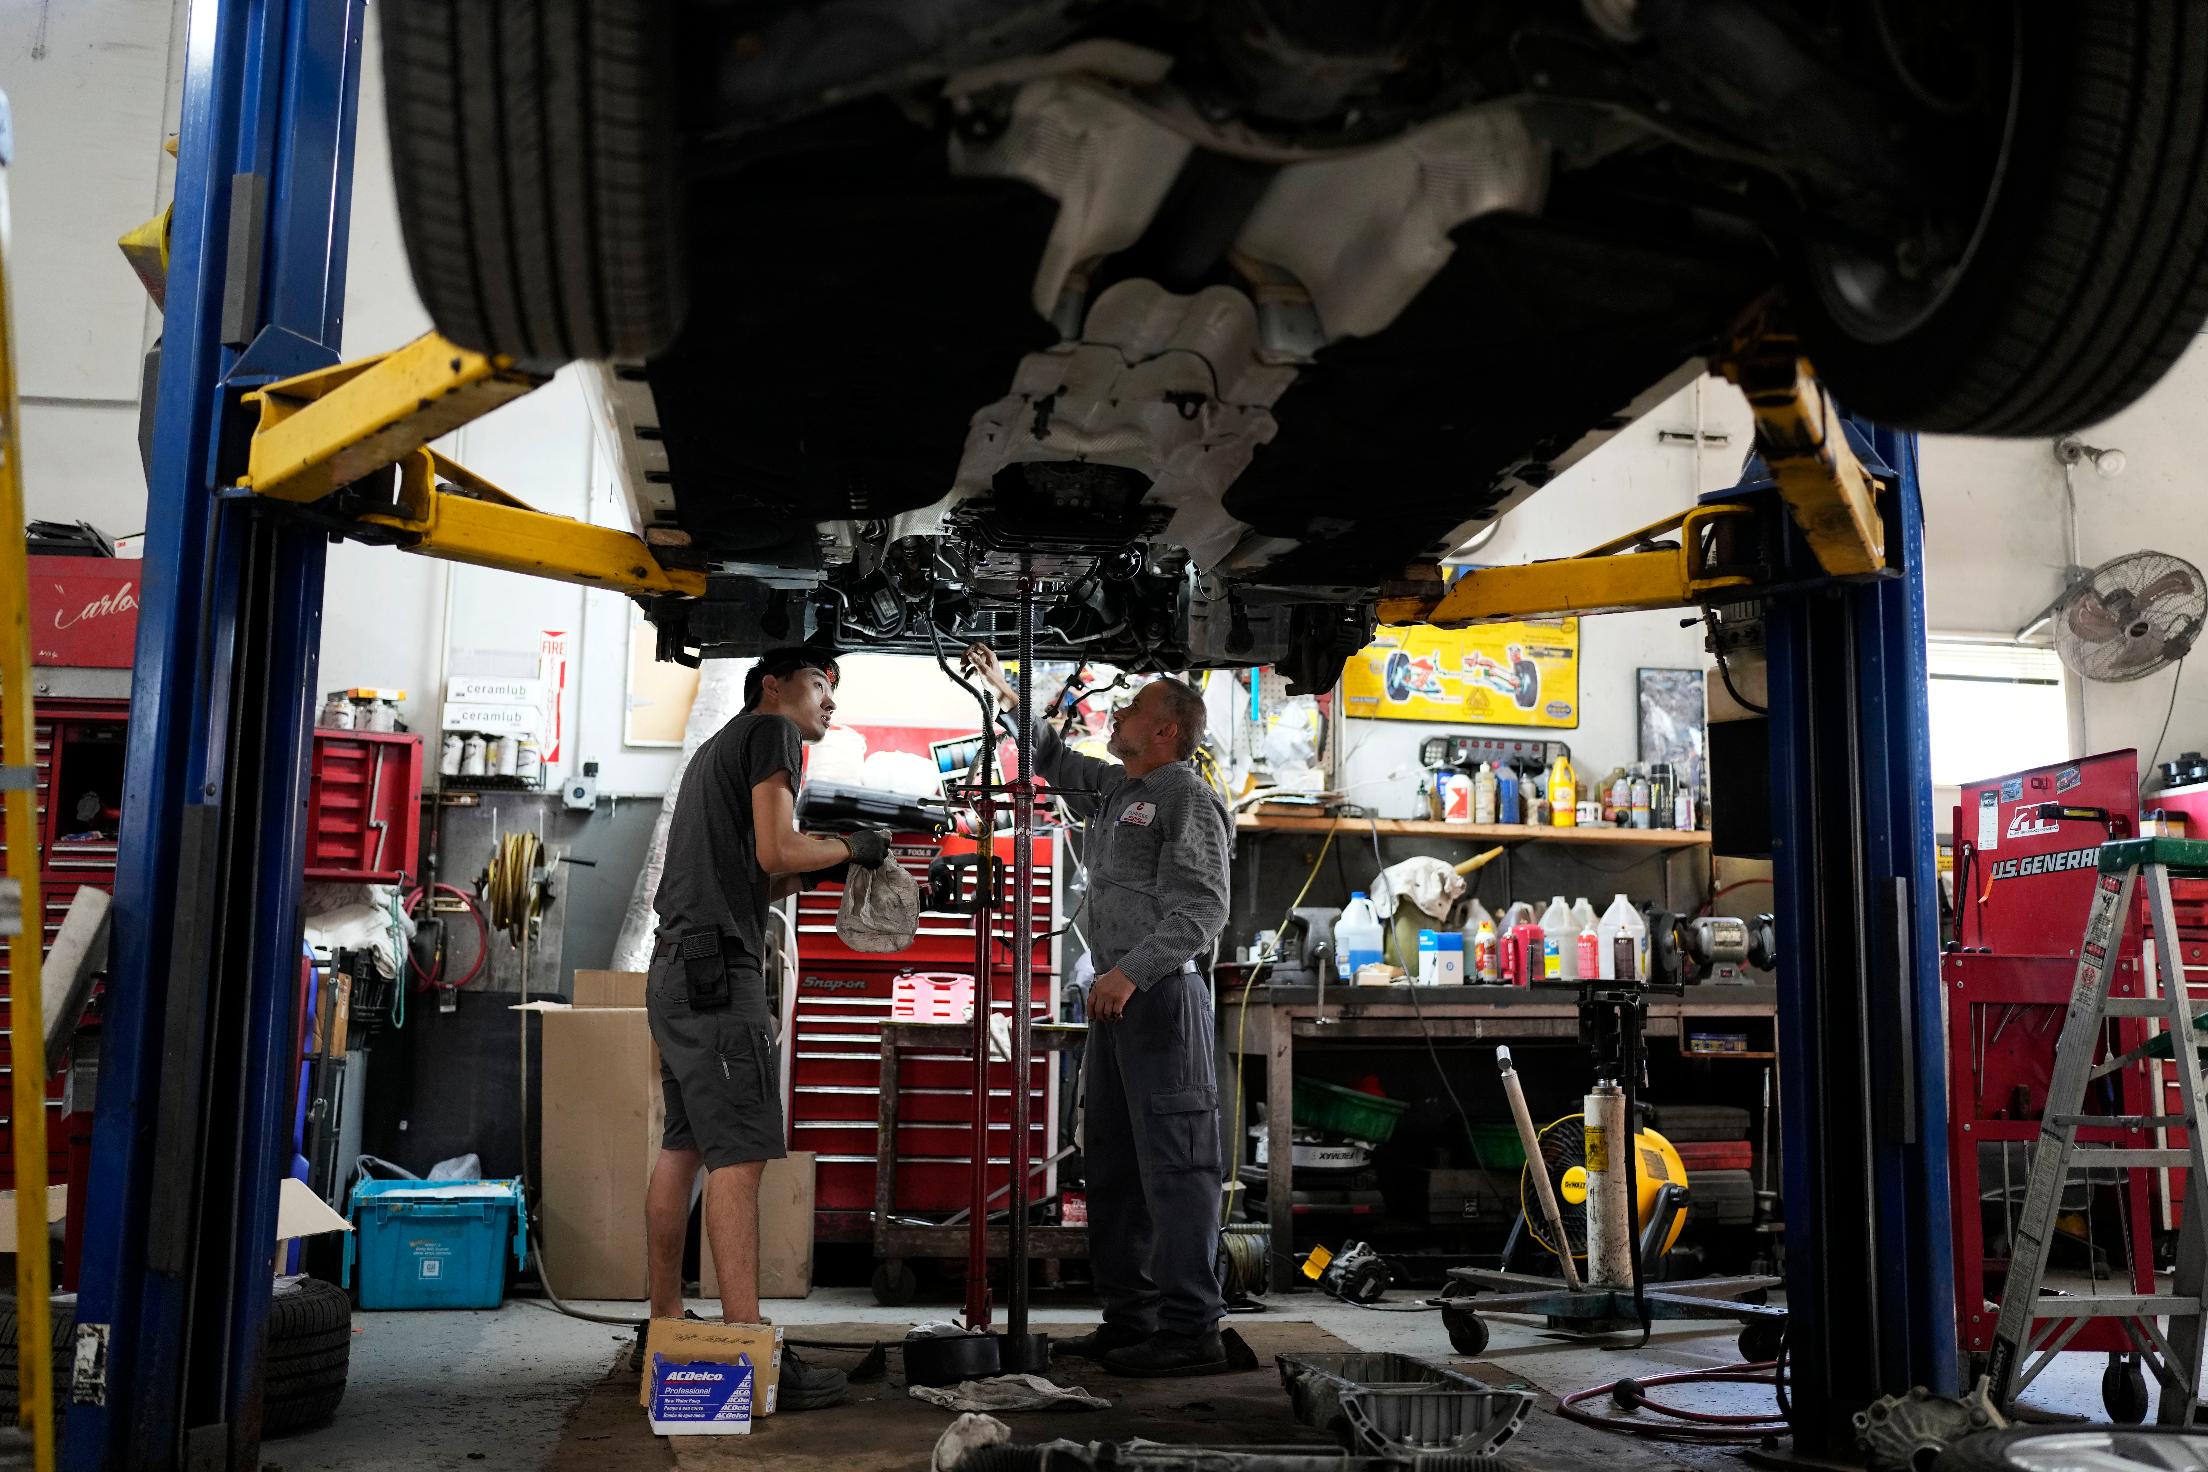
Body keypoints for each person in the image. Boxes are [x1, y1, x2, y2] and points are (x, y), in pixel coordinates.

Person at [963, 644, 1234, 1376]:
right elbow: (1051, 758)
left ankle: (1192, 1329)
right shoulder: (1119, 790)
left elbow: (1205, 903)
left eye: (1134, 708)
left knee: (1176, 1168)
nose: (1119, 713)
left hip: (1161, 999)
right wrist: (1012, 695)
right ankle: (1131, 1317)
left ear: (1168, 729)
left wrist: (1132, 973)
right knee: (1112, 1163)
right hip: (1116, 1004)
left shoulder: (1184, 794)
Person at [640, 646, 890, 1408]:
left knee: (683, 1149)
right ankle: (746, 1350)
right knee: (739, 1159)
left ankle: (665, 1329)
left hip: (678, 971)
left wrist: (834, 857)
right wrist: (856, 845)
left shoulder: (720, 750)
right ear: (773, 685)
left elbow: (770, 871)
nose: (830, 703)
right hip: (720, 982)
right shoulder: (769, 732)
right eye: (821, 685)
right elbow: (778, 848)